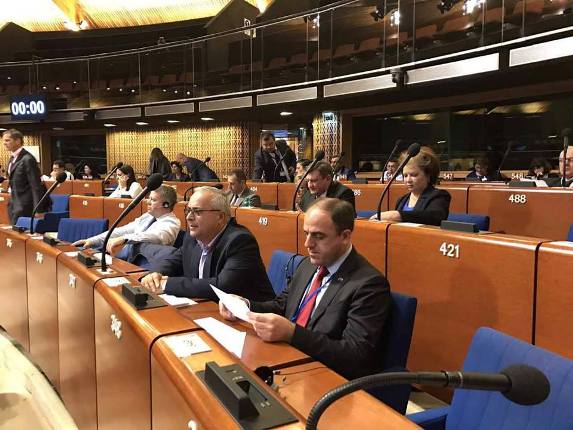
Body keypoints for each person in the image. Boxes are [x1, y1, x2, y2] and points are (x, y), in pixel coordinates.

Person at [219, 198, 391, 380]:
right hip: (287, 359)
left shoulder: (369, 284)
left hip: (325, 375)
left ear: (345, 236)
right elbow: (282, 306)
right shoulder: (307, 265)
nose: (308, 244)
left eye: (319, 236)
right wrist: (244, 306)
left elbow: (355, 356)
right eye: (306, 233)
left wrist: (292, 333)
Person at [140, 186, 275, 301]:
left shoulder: (240, 241)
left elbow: (222, 287)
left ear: (220, 217)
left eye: (197, 211)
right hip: (210, 312)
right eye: (188, 210)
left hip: (252, 319)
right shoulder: (194, 237)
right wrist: (156, 274)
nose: (189, 217)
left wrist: (166, 284)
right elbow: (175, 260)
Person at [72, 186, 181, 261]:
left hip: (147, 266)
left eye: (153, 200)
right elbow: (122, 231)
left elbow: (156, 236)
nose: (147, 202)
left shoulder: (172, 223)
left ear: (166, 205)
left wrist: (125, 239)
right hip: (125, 259)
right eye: (149, 198)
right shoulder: (147, 217)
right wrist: (92, 240)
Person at [371, 146, 450, 226]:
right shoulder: (402, 200)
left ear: (428, 175)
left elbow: (433, 217)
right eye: (405, 175)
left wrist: (397, 215)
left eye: (414, 175)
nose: (408, 180)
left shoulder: (439, 196)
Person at [3, 129, 49, 224]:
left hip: (25, 205)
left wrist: (38, 209)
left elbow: (36, 185)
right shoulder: (12, 158)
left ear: (18, 141)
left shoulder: (27, 159)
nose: (4, 143)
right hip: (14, 203)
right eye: (4, 140)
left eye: (7, 140)